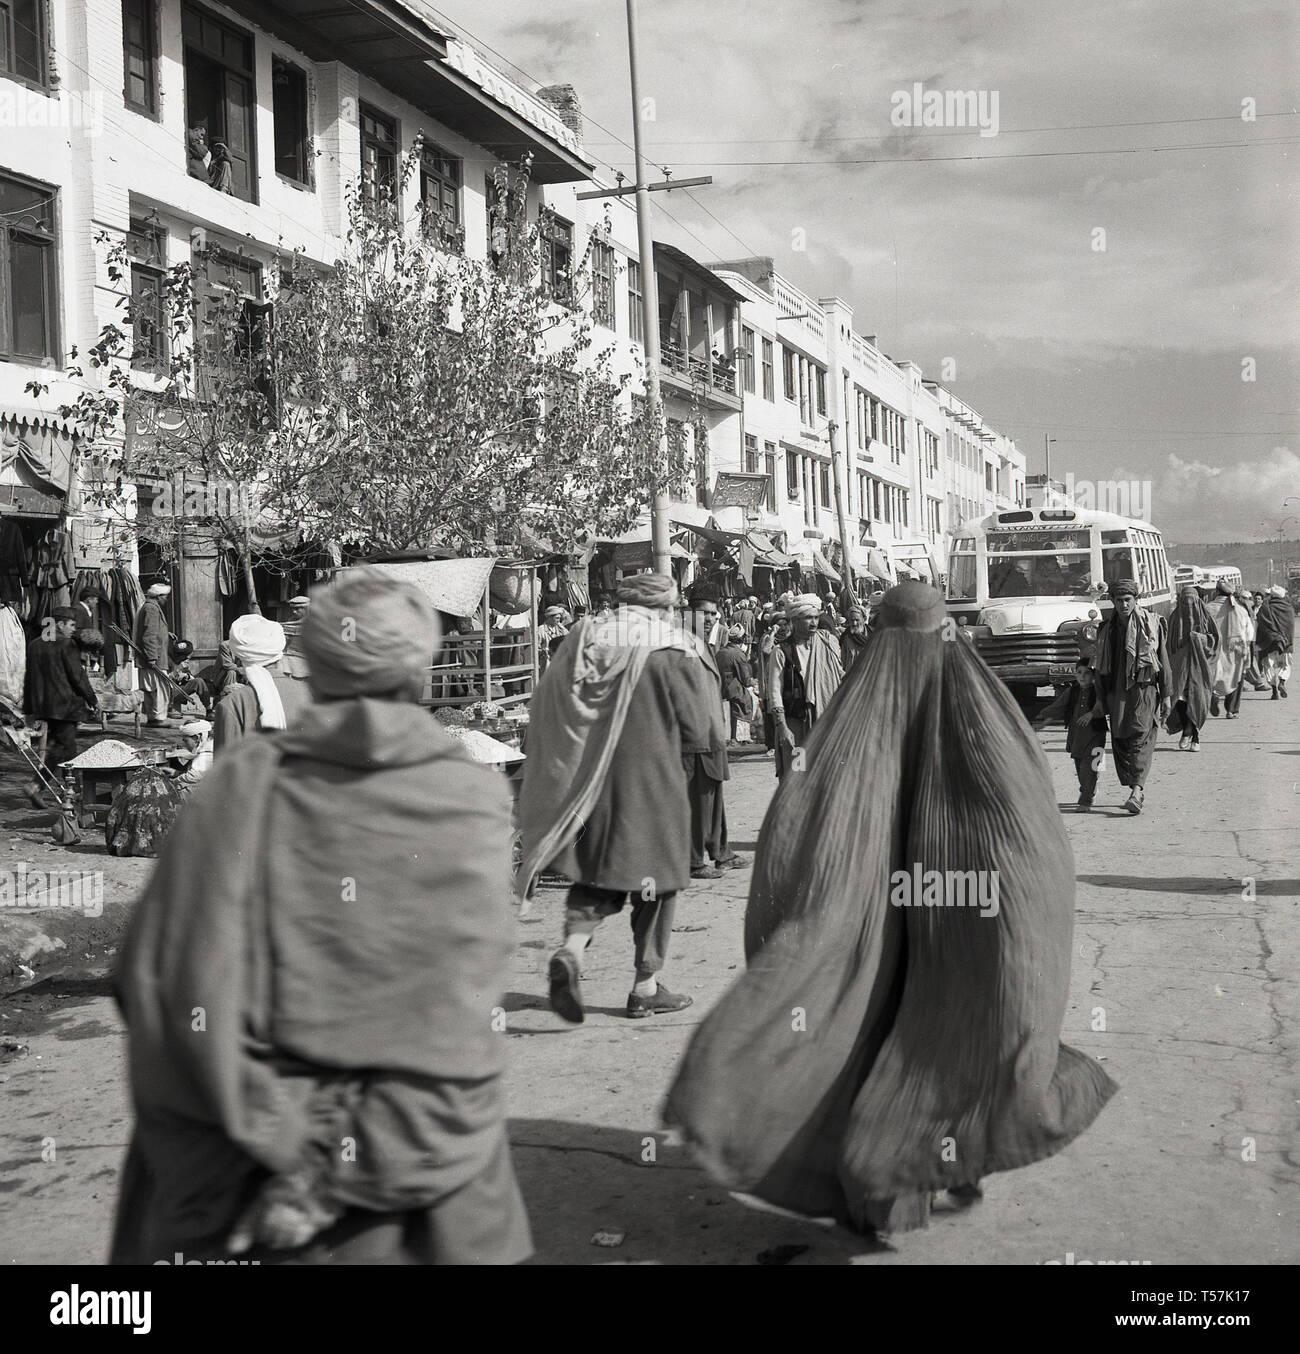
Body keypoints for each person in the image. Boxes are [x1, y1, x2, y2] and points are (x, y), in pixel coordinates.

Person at [663, 583, 1117, 1236]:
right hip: (958, 917)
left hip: (872, 925)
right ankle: (919, 1172)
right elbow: (1032, 833)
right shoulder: (982, 704)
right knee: (949, 1029)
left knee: (868, 1027)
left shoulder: (854, 710)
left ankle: (881, 1190)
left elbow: (795, 835)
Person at [110, 567, 531, 1265]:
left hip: (244, 1173)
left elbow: (159, 984)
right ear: (419, 669)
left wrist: (284, 1148)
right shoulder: (469, 796)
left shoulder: (240, 784)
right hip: (419, 1200)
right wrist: (351, 1163)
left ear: (314, 663)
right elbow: (456, 1018)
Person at [516, 573, 718, 1023]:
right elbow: (699, 730)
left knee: (595, 874)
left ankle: (572, 951)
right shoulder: (673, 649)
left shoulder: (584, 638)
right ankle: (645, 986)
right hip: (652, 784)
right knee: (659, 883)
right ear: (666, 607)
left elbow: (549, 704)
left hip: (588, 784)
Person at [682, 584, 745, 879]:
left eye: (713, 614)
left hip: (711, 733)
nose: (709, 619)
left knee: (714, 798)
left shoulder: (705, 645)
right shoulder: (681, 644)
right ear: (688, 613)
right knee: (697, 801)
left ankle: (721, 852)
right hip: (693, 737)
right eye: (703, 613)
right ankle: (694, 861)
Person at [1093, 578, 1171, 814]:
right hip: (1116, 693)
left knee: (1140, 737)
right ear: (1113, 601)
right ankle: (1135, 785)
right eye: (1119, 600)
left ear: (1136, 600)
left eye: (1128, 600)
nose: (1123, 605)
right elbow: (1100, 669)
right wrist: (1099, 699)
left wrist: (1166, 694)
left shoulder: (1151, 625)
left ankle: (1136, 791)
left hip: (1143, 690)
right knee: (1121, 740)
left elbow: (1163, 661)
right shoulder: (1106, 629)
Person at [766, 593, 845, 780]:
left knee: (825, 777)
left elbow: (840, 677)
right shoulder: (781, 651)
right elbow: (774, 691)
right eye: (808, 618)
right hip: (795, 724)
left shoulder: (828, 643)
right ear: (795, 619)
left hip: (825, 722)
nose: (813, 623)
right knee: (797, 775)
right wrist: (782, 727)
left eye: (816, 617)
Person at [23, 606, 99, 799]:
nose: (74, 629)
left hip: (44, 706)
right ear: (60, 624)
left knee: (58, 748)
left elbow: (28, 678)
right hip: (65, 705)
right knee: (69, 750)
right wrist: (93, 700)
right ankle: (75, 793)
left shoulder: (34, 644)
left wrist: (29, 708)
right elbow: (77, 676)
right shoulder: (67, 645)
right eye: (71, 625)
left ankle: (37, 786)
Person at [213, 614, 310, 751]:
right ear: (279, 651)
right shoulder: (310, 695)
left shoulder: (232, 704)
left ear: (240, 656)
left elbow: (226, 769)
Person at [1034, 661, 1109, 809]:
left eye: (1087, 673)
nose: (1082, 676)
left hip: (1096, 735)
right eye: (1079, 672)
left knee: (1091, 767)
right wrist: (1042, 722)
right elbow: (1058, 708)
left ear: (1093, 676)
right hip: (1077, 737)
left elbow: (1105, 707)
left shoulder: (1099, 691)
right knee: (1081, 769)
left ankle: (1085, 801)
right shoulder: (1072, 692)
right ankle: (1089, 790)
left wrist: (1092, 714)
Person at [1164, 583, 1218, 750]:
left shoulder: (1206, 617)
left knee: (1197, 699)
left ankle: (1194, 735)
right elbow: (1168, 644)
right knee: (1179, 698)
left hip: (1200, 667)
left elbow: (1214, 640)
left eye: (1192, 602)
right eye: (1185, 602)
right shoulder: (1173, 618)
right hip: (1179, 667)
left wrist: (1196, 638)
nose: (1188, 606)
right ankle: (1187, 731)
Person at [1206, 580, 1254, 720]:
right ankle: (1231, 710)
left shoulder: (1207, 608)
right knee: (1236, 678)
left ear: (1216, 592)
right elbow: (1249, 633)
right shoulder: (1240, 610)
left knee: (1213, 676)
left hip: (1213, 651)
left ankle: (1213, 695)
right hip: (1235, 652)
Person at [132, 582, 172, 726]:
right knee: (159, 689)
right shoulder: (152, 609)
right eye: (165, 597)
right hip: (154, 657)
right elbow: (149, 635)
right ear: (159, 596)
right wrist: (152, 657)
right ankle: (158, 718)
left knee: (151, 688)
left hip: (149, 657)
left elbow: (152, 631)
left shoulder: (147, 607)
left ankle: (153, 717)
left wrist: (166, 634)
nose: (166, 600)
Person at [1253, 585, 1294, 699]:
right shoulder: (1289, 608)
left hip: (1269, 642)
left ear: (1271, 595)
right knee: (1286, 665)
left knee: (1268, 667)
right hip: (1286, 643)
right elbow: (1290, 626)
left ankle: (1274, 691)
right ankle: (1282, 681)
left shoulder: (1265, 607)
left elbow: (1261, 624)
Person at [717, 623, 756, 743]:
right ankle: (743, 736)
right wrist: (753, 682)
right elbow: (745, 679)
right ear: (742, 639)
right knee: (751, 699)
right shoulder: (738, 654)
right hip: (733, 689)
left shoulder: (720, 652)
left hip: (720, 688)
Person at [168, 718, 214, 792]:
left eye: (186, 741)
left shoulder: (207, 752)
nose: (184, 745)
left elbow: (194, 776)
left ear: (197, 738)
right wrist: (175, 773)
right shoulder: (210, 746)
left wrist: (173, 782)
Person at [536, 604, 570, 675]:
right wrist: (544, 651)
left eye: (559, 618)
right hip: (546, 661)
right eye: (556, 618)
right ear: (549, 618)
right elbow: (536, 648)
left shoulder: (561, 629)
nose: (558, 621)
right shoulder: (541, 630)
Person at [840, 606, 871, 672]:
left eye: (857, 620)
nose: (854, 623)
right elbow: (842, 661)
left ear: (864, 619)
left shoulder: (872, 636)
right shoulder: (845, 637)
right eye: (852, 620)